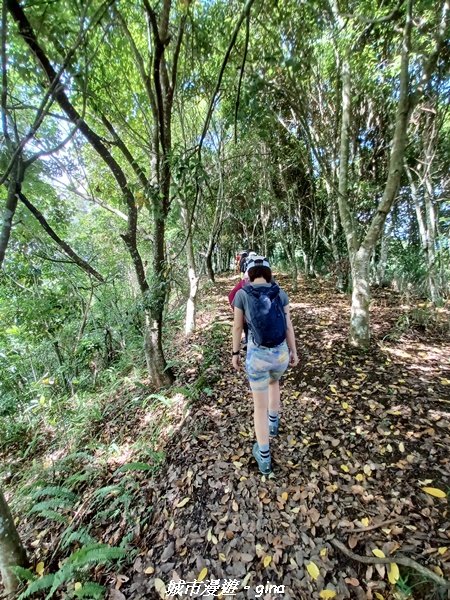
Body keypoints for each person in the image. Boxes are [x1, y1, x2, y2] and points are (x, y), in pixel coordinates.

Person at [231, 256, 299, 475]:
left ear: (248, 274)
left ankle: (264, 457)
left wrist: (234, 353)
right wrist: (294, 352)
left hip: (257, 357)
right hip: (280, 356)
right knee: (274, 383)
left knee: (258, 407)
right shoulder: (280, 293)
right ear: (269, 273)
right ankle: (273, 424)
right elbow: (288, 327)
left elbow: (237, 328)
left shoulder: (242, 294)